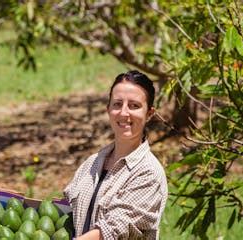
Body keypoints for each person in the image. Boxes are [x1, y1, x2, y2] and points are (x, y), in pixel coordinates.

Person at [64, 70, 168, 240]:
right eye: (117, 104)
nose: (123, 113)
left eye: (134, 106)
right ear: (108, 110)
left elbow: (114, 229)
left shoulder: (149, 173)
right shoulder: (92, 163)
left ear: (149, 114)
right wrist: (8, 201)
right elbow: (65, 210)